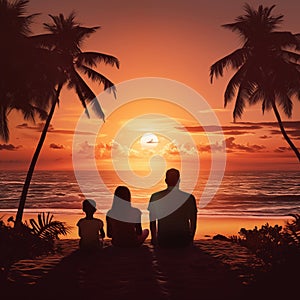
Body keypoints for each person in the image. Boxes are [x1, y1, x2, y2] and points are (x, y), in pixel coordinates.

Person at [148, 168, 197, 248]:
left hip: (164, 239)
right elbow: (193, 220)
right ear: (179, 181)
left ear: (166, 181)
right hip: (183, 239)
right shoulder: (189, 198)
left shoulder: (156, 197)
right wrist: (191, 238)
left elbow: (152, 221)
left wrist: (154, 238)